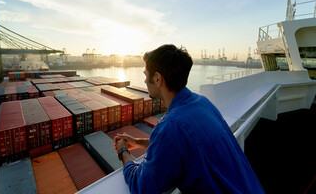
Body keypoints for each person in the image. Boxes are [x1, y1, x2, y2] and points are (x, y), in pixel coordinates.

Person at [113, 44, 265, 194]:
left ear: (158, 79)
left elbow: (141, 186)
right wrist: (137, 142)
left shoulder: (170, 127)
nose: (145, 81)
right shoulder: (203, 103)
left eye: (146, 75)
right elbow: (175, 146)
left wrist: (123, 152)